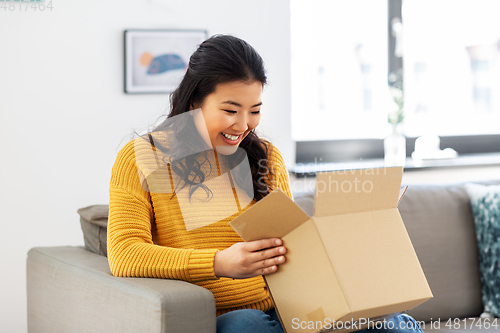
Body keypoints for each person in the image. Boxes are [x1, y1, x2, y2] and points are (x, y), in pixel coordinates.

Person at [107, 34, 424, 333]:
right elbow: (124, 253)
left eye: (254, 110)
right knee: (251, 325)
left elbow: (290, 251)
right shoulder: (142, 158)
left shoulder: (265, 157)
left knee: (395, 324)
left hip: (285, 307)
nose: (243, 125)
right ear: (194, 103)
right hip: (223, 316)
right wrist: (219, 262)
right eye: (230, 110)